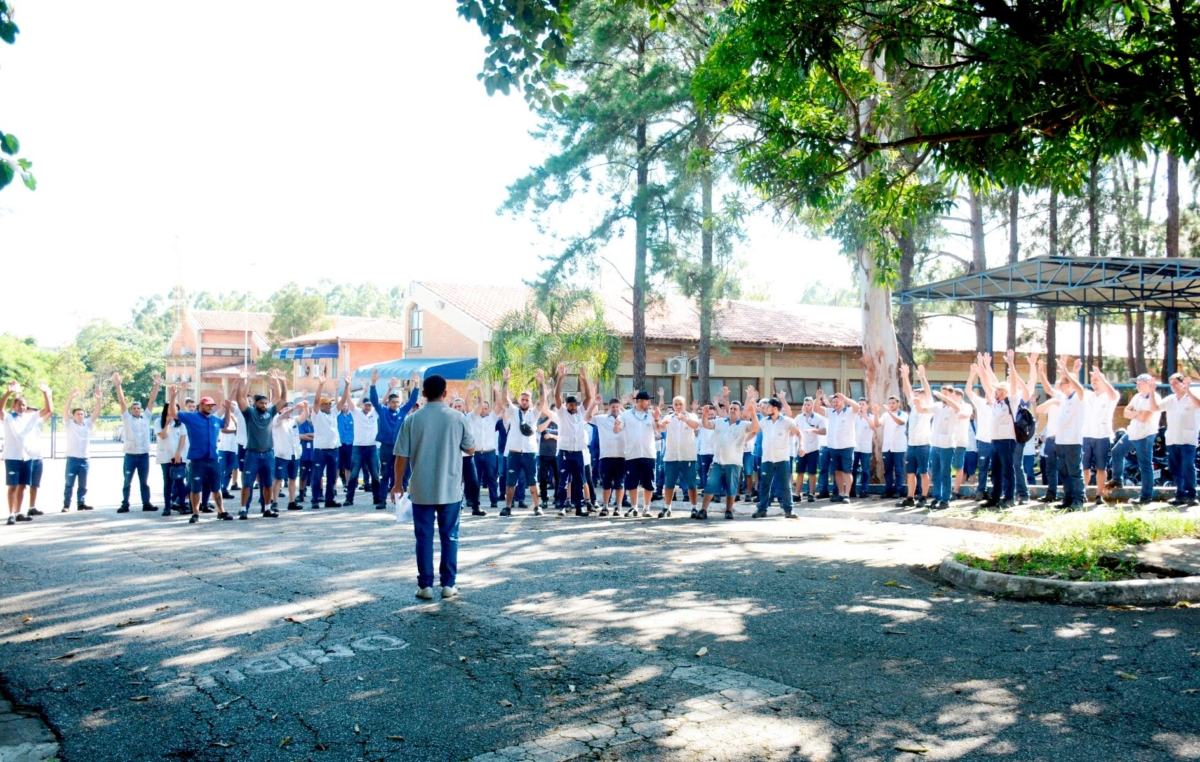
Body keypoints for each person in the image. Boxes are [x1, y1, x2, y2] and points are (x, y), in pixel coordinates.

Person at [391, 374, 475, 600]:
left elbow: (401, 456)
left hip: (421, 488)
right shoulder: (458, 417)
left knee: (424, 538)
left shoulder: (412, 419)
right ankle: (448, 584)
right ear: (445, 393)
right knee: (450, 537)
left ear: (424, 394)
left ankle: (425, 586)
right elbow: (471, 449)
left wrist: (397, 484)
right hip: (450, 488)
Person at [165, 386, 233, 523]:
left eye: (212, 405)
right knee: (195, 488)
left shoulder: (214, 420)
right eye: (207, 405)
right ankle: (195, 513)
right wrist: (173, 397)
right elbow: (173, 413)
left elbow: (225, 424)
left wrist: (227, 409)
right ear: (200, 405)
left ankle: (221, 511)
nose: (210, 407)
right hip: (197, 460)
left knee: (216, 487)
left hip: (213, 459)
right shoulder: (191, 417)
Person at [697, 389, 761, 520]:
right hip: (718, 462)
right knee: (710, 486)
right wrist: (704, 415)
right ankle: (703, 510)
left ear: (740, 411)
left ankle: (729, 511)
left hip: (733, 462)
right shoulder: (720, 421)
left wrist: (753, 414)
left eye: (735, 409)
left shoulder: (743, 424)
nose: (732, 410)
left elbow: (755, 428)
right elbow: (707, 425)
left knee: (731, 489)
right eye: (731, 408)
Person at [235, 369, 287, 518]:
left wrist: (283, 382)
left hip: (268, 454)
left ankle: (267, 508)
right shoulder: (249, 413)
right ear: (255, 403)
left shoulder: (270, 413)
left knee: (268, 483)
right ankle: (243, 509)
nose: (264, 405)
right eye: (261, 403)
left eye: (265, 403)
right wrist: (246, 380)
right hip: (252, 454)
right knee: (247, 483)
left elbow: (282, 399)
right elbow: (240, 398)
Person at [1, 381, 53, 524]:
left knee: (23, 486)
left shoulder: (30, 417)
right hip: (12, 457)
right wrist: (8, 393)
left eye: (23, 405)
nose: (22, 407)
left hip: (27, 457)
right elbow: (0, 408)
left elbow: (48, 409)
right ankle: (11, 514)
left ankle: (19, 513)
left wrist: (45, 393)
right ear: (13, 406)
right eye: (19, 405)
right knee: (12, 486)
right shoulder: (8, 418)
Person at [546, 364, 593, 517]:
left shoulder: (580, 411)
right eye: (570, 404)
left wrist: (584, 379)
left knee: (579, 481)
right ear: (566, 405)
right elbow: (557, 397)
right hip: (564, 451)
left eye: (575, 404)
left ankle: (579, 507)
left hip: (578, 451)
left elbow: (589, 398)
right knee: (563, 481)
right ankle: (562, 506)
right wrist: (560, 378)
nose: (573, 407)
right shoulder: (561, 413)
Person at [369, 370, 420, 506]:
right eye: (393, 402)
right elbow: (374, 400)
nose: (395, 404)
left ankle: (401, 501)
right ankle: (381, 501)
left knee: (402, 474)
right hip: (386, 447)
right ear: (389, 402)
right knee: (385, 474)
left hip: (400, 447)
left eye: (397, 402)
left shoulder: (402, 411)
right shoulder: (383, 411)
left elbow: (412, 401)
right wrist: (373, 384)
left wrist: (416, 386)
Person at [1110, 373, 1162, 506]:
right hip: (1132, 432)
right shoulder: (1137, 396)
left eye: (1140, 383)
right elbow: (1125, 412)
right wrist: (1138, 413)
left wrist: (1135, 414)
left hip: (1145, 435)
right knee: (1117, 452)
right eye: (1136, 383)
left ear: (1147, 384)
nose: (1137, 385)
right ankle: (1117, 479)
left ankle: (1146, 496)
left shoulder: (1154, 398)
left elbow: (1145, 418)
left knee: (1145, 465)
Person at [113, 372, 162, 513]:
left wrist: (157, 385)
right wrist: (118, 385)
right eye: (133, 408)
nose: (136, 410)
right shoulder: (127, 418)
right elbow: (122, 401)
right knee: (127, 481)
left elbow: (151, 401)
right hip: (130, 455)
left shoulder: (146, 417)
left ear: (141, 410)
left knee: (144, 482)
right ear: (131, 410)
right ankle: (125, 504)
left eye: (138, 408)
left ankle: (146, 503)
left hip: (143, 455)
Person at [498, 368, 543, 516]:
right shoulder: (512, 411)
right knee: (511, 482)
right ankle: (508, 507)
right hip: (514, 453)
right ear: (519, 400)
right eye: (522, 399)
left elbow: (542, 401)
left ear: (530, 401)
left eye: (527, 399)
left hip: (530, 453)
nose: (524, 402)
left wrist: (541, 383)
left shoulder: (534, 413)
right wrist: (505, 381)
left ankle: (537, 507)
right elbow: (504, 399)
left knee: (532, 482)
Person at [1154, 372, 1200, 507]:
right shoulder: (1170, 399)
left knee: (1188, 466)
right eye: (1171, 384)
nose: (1173, 386)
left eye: (1176, 383)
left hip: (1188, 439)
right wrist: (1152, 392)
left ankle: (1191, 495)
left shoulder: (1191, 396)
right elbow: (1155, 408)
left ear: (1182, 383)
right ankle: (1180, 494)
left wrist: (1188, 391)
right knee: (1175, 468)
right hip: (1172, 439)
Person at [1051, 356, 1088, 511]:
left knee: (1074, 472)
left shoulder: (1078, 398)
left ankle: (1079, 500)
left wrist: (1068, 371)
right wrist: (1070, 372)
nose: (1059, 385)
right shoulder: (1064, 398)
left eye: (1063, 382)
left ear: (1069, 384)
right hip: (1061, 441)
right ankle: (1068, 499)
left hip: (1073, 440)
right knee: (1064, 472)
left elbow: (1078, 388)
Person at [310, 374, 352, 509]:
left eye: (330, 403)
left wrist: (347, 385)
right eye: (326, 403)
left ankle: (329, 499)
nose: (329, 405)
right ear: (322, 406)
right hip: (320, 450)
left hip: (333, 449)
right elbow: (316, 402)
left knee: (331, 476)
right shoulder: (317, 414)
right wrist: (320, 385)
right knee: (317, 476)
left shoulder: (333, 413)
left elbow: (343, 400)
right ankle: (315, 499)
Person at [616, 388, 659, 517]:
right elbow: (617, 430)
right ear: (639, 401)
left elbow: (658, 430)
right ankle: (634, 508)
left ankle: (646, 508)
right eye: (647, 401)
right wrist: (616, 425)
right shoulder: (626, 415)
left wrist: (657, 420)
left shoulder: (652, 414)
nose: (649, 403)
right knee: (632, 483)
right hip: (632, 455)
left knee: (648, 483)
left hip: (648, 454)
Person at [756, 397, 801, 519]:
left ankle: (789, 510)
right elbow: (754, 431)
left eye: (768, 407)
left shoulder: (787, 421)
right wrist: (743, 440)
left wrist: (801, 447)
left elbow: (798, 433)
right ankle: (762, 509)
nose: (766, 409)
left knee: (785, 485)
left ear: (775, 408)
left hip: (782, 459)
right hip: (767, 459)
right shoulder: (764, 421)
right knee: (765, 485)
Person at [61, 385, 104, 512]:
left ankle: (81, 503)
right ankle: (66, 505)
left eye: (82, 414)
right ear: (73, 416)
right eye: (78, 414)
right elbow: (65, 411)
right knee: (69, 483)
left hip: (84, 459)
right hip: (72, 459)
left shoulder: (87, 424)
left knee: (83, 484)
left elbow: (97, 412)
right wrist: (70, 398)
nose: (80, 416)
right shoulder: (69, 424)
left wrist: (98, 399)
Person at [1081, 366, 1119, 504]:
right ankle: (1082, 493)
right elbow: (1076, 390)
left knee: (1101, 468)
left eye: (1097, 379)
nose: (1094, 382)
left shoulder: (1110, 396)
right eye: (1092, 379)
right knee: (1084, 467)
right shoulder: (1088, 396)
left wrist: (1102, 379)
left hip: (1102, 436)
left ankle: (1099, 495)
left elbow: (1113, 394)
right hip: (1087, 435)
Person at [814, 387, 859, 504]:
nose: (835, 404)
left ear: (842, 402)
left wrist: (845, 398)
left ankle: (847, 494)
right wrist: (818, 397)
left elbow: (857, 407)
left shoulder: (849, 412)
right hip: (833, 446)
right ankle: (840, 493)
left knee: (847, 471)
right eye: (833, 402)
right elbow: (816, 409)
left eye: (837, 401)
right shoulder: (830, 412)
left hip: (847, 446)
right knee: (837, 471)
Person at [658, 392, 700, 518]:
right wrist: (663, 423)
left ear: (685, 405)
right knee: (669, 483)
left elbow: (696, 426)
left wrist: (685, 419)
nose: (678, 406)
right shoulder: (669, 417)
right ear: (673, 405)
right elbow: (660, 429)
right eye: (676, 404)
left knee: (691, 484)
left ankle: (694, 508)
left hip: (688, 456)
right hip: (671, 456)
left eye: (680, 404)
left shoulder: (691, 415)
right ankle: (667, 508)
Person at [345, 376, 382, 508]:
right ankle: (349, 498)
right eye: (366, 405)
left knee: (375, 475)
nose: (368, 407)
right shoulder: (356, 413)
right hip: (358, 448)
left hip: (372, 447)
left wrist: (388, 389)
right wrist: (348, 386)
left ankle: (376, 498)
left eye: (370, 405)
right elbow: (349, 401)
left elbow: (381, 401)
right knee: (354, 474)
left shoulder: (374, 413)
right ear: (362, 405)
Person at [898, 364, 932, 508]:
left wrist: (922, 377)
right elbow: (907, 391)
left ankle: (924, 497)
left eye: (919, 396)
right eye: (916, 396)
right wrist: (905, 376)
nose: (916, 397)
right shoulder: (913, 408)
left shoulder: (929, 407)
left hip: (923, 445)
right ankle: (910, 497)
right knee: (910, 473)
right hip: (911, 445)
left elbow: (929, 393)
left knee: (923, 472)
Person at [467, 382, 500, 511]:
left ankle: (494, 500)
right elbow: (467, 405)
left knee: (491, 477)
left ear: (488, 409)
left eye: (485, 408)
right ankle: (476, 501)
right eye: (482, 408)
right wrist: (473, 390)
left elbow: (499, 405)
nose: (483, 410)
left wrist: (496, 391)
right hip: (476, 452)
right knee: (476, 479)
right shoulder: (473, 418)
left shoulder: (492, 418)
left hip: (489, 452)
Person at [154, 398, 188, 516]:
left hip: (179, 456)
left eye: (176, 408)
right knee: (167, 482)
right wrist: (168, 423)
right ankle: (167, 507)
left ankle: (182, 505)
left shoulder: (182, 423)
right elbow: (163, 436)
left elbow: (183, 439)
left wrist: (178, 453)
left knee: (180, 482)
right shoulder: (159, 421)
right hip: (165, 456)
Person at [594, 396, 627, 516]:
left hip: (621, 456)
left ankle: (618, 507)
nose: (615, 409)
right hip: (606, 456)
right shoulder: (601, 419)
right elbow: (586, 418)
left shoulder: (625, 418)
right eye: (613, 407)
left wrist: (625, 405)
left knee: (619, 484)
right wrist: (594, 404)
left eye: (617, 407)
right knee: (606, 484)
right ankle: (605, 507)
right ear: (609, 407)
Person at [872, 396, 907, 501]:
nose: (891, 405)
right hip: (887, 447)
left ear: (898, 404)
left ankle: (898, 490)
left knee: (899, 470)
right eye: (890, 403)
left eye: (893, 403)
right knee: (887, 470)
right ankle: (888, 489)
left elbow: (900, 422)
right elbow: (877, 424)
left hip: (898, 447)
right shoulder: (886, 415)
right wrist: (876, 414)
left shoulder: (903, 414)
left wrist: (890, 413)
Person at [272, 402, 302, 511]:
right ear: (281, 409)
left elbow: (303, 417)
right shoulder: (277, 419)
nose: (289, 410)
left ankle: (292, 501)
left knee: (293, 479)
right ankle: (275, 502)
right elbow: (282, 416)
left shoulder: (293, 420)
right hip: (281, 454)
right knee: (278, 479)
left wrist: (306, 407)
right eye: (286, 408)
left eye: (290, 408)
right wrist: (293, 408)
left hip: (294, 453)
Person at [796, 398, 826, 502]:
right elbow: (794, 430)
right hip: (801, 449)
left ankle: (811, 493)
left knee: (812, 472)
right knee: (800, 472)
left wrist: (813, 430)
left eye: (809, 404)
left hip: (813, 448)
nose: (806, 406)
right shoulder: (798, 418)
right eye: (805, 404)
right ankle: (797, 493)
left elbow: (824, 431)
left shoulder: (819, 418)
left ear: (812, 405)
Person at [851, 397, 873, 499]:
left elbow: (874, 427)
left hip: (865, 447)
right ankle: (852, 490)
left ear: (867, 406)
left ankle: (864, 490)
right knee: (853, 470)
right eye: (859, 404)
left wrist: (866, 418)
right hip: (854, 447)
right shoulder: (853, 416)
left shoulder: (871, 417)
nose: (861, 406)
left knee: (865, 470)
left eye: (863, 404)